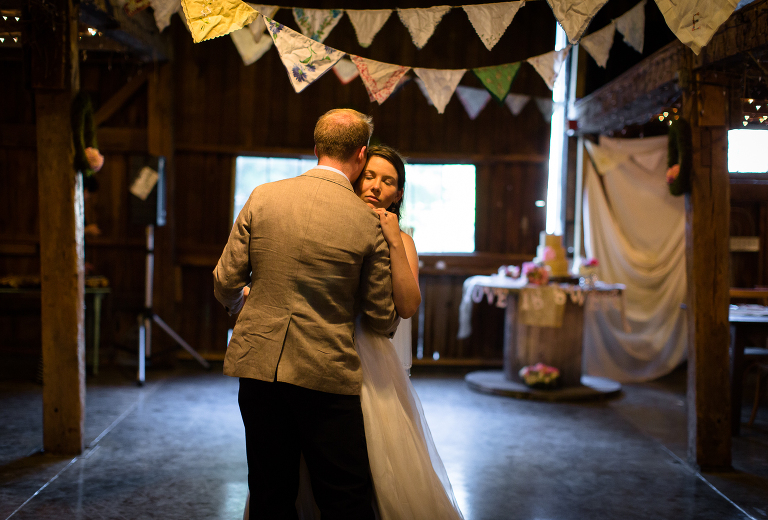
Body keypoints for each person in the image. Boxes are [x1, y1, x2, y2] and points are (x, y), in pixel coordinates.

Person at [214, 108, 399, 520]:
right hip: (326, 372)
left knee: (269, 491)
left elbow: (226, 280)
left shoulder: (263, 196)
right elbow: (382, 316)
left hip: (258, 366)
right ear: (362, 154)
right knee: (344, 495)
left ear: (316, 149)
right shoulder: (366, 222)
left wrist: (241, 303)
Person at [289, 146, 465, 520]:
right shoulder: (328, 225)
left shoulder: (403, 239)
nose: (376, 187)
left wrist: (394, 241)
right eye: (369, 176)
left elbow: (408, 305)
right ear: (355, 176)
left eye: (388, 182)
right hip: (318, 349)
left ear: (398, 194)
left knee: (375, 457)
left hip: (372, 355)